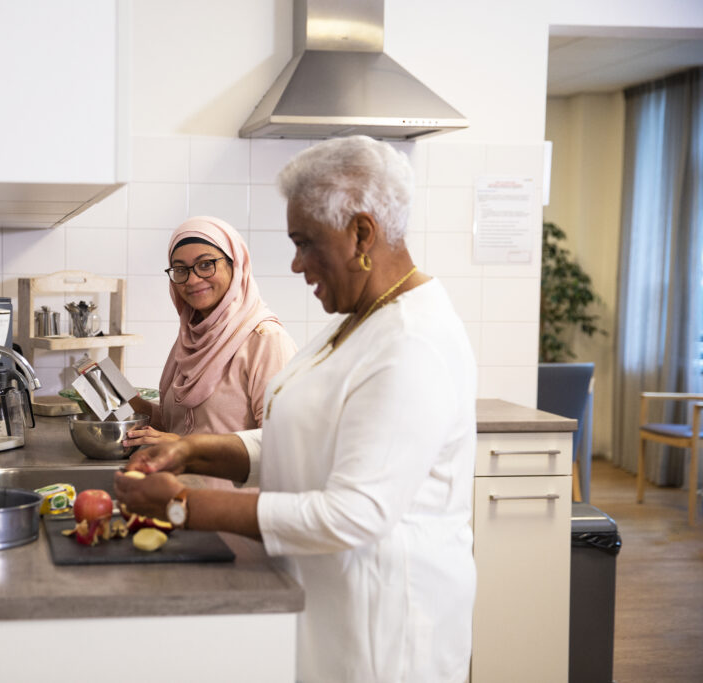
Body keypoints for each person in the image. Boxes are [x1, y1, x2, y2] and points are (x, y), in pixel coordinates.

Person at [114, 136, 477, 682]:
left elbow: (353, 513)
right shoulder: (357, 320)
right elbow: (299, 431)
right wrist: (193, 449)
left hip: (380, 628)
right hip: (324, 598)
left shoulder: (411, 342)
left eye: (305, 242)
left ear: (361, 233)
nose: (295, 262)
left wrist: (187, 505)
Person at [124, 216, 297, 450]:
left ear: (235, 265)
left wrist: (186, 445)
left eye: (205, 264)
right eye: (181, 269)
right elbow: (176, 426)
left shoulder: (265, 340)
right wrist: (126, 400)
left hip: (229, 487)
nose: (193, 279)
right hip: (176, 483)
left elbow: (281, 443)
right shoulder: (189, 339)